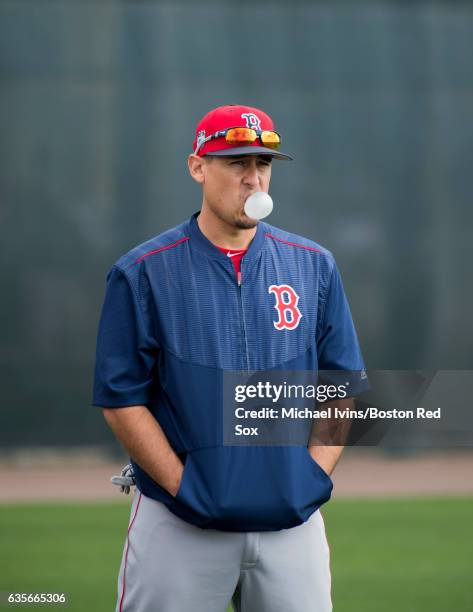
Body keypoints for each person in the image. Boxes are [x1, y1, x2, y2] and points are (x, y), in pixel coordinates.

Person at [92, 104, 368, 612]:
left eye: (262, 164)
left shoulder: (314, 266)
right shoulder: (143, 272)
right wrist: (185, 488)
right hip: (179, 525)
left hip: (291, 527)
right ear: (198, 167)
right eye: (236, 162)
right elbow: (121, 399)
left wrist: (312, 477)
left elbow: (341, 385)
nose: (253, 178)